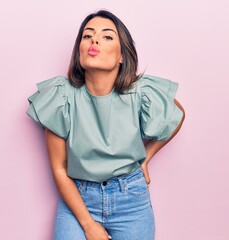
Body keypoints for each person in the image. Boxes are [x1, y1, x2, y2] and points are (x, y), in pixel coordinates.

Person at [27, 10, 185, 240]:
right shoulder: (61, 96)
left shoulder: (140, 93)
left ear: (122, 55)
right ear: (79, 50)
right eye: (87, 35)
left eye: (107, 36)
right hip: (78, 200)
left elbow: (177, 114)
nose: (94, 40)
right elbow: (59, 168)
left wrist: (146, 157)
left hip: (131, 200)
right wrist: (88, 225)